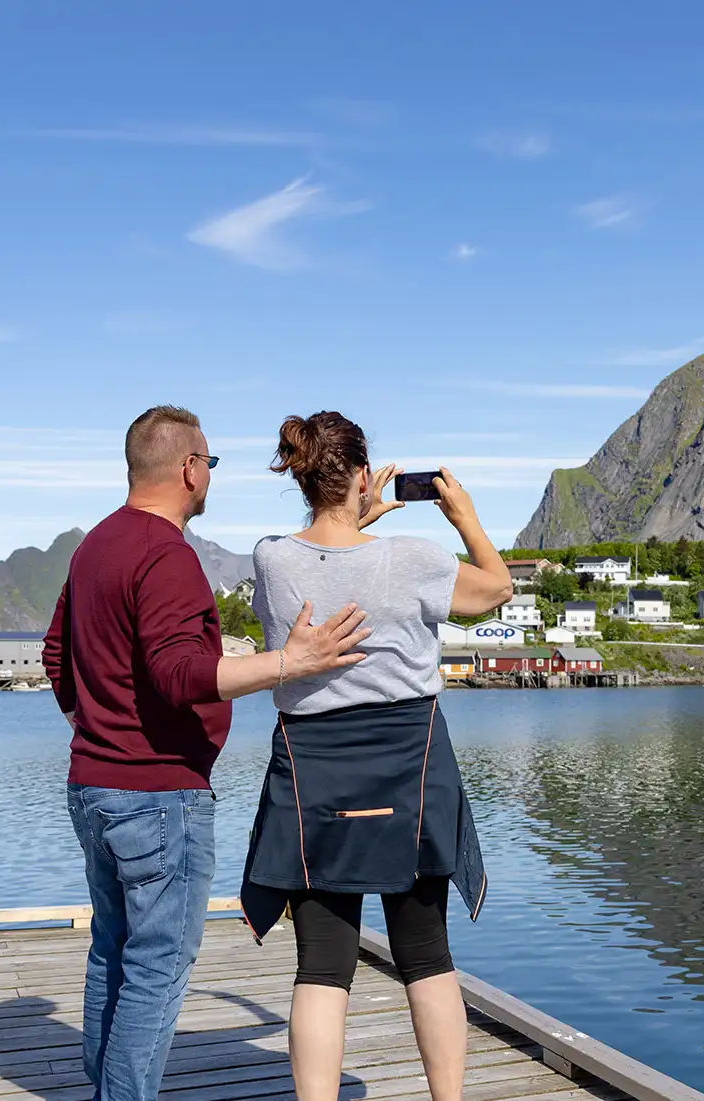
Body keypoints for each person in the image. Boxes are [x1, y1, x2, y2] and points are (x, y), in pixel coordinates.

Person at [42, 405, 374, 1101]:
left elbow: (56, 653)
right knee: (158, 964)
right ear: (191, 468)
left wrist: (97, 723)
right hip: (157, 797)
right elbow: (179, 674)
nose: (210, 475)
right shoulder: (167, 555)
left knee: (114, 948)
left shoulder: (94, 546)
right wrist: (291, 660)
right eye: (212, 463)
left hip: (93, 785)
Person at [238, 411, 511, 1101]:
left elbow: (334, 564)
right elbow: (496, 588)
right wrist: (465, 516)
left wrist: (359, 523)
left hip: (315, 774)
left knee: (323, 967)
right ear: (363, 475)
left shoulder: (271, 557)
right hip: (409, 769)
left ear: (302, 477)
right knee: (426, 956)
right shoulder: (413, 558)